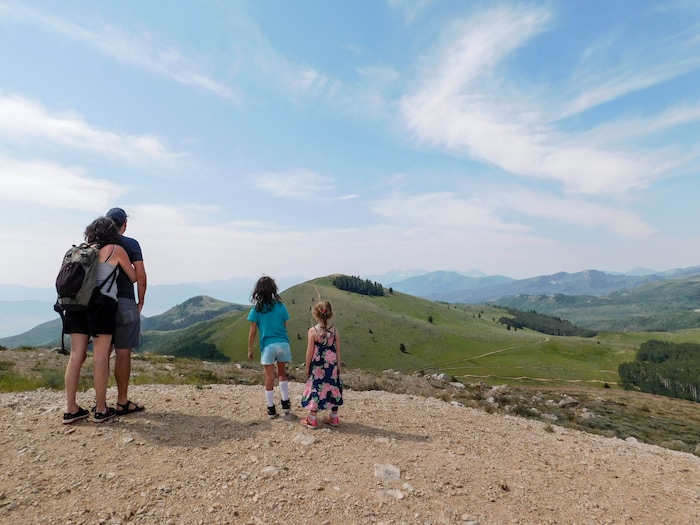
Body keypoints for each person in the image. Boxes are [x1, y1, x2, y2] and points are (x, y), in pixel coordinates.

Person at [63, 217, 136, 424]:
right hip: (102, 307)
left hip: (75, 306)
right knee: (100, 357)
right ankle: (101, 409)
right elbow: (132, 277)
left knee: (76, 356)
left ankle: (71, 409)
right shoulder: (115, 249)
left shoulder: (80, 250)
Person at [105, 207, 147, 416]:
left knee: (102, 354)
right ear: (125, 225)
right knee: (123, 354)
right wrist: (140, 301)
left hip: (99, 306)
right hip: (124, 302)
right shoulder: (131, 244)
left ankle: (101, 405)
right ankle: (122, 402)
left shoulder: (97, 245)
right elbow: (140, 275)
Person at [247, 276, 292, 419]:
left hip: (267, 345)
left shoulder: (256, 309)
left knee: (269, 376)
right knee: (282, 373)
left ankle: (271, 409)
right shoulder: (280, 306)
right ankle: (285, 404)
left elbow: (253, 331)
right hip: (282, 343)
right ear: (273, 289)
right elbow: (284, 326)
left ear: (258, 291)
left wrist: (250, 349)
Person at [300, 300, 343, 429]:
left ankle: (312, 419)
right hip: (331, 363)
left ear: (316, 314)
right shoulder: (334, 330)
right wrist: (338, 366)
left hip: (317, 365)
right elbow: (338, 349)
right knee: (333, 387)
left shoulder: (312, 331)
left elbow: (309, 351)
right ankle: (334, 417)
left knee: (316, 388)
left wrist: (307, 366)